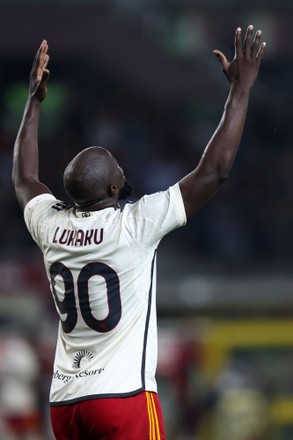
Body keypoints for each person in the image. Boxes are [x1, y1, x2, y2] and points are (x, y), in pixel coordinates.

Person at [12, 25, 266, 440]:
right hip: (122, 398)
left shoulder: (49, 222)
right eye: (119, 172)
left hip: (64, 403)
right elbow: (214, 172)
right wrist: (240, 90)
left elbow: (25, 179)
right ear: (115, 189)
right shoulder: (134, 225)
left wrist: (32, 104)